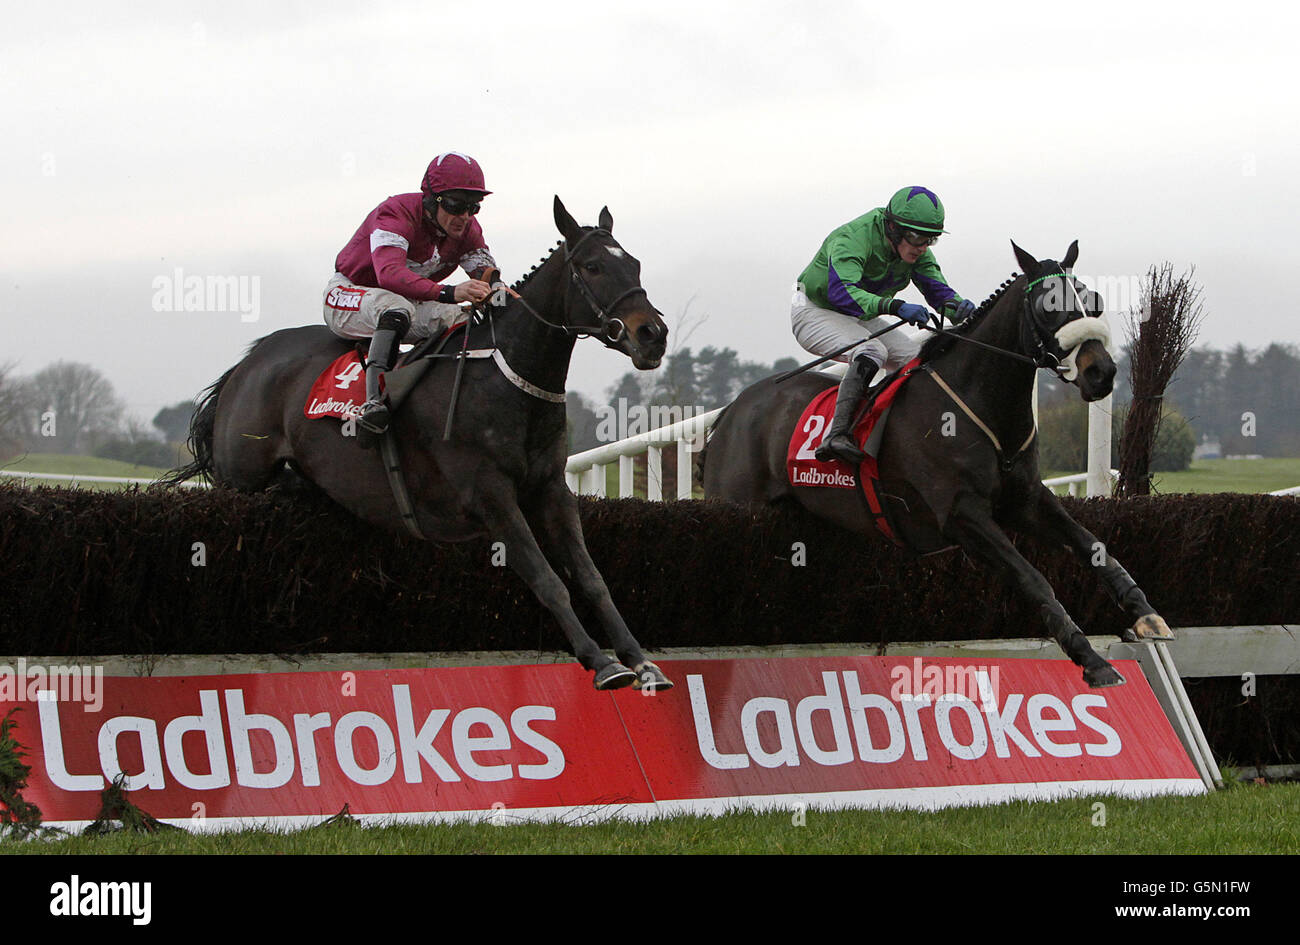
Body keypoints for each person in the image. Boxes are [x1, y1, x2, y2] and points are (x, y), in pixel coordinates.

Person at [792, 185, 976, 465]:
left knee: (918, 360)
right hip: (815, 311)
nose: (922, 247)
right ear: (892, 228)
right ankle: (836, 434)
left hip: (857, 316)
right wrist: (894, 306)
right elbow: (842, 292)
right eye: (916, 237)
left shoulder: (917, 251)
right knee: (872, 351)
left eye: (931, 239)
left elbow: (938, 290)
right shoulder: (853, 239)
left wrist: (958, 308)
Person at [324, 151, 501, 440]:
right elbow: (389, 274)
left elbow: (486, 274)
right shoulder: (396, 212)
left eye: (474, 207)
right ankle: (373, 403)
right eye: (457, 205)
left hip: (408, 300)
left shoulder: (467, 229)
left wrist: (499, 290)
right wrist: (450, 292)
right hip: (350, 292)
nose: (465, 217)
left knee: (464, 319)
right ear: (433, 200)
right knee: (395, 307)